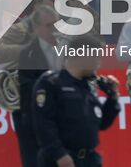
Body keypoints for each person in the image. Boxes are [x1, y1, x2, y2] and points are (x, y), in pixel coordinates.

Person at [33, 33, 121, 167]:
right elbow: (43, 123)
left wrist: (113, 98)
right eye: (96, 57)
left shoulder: (89, 85)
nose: (99, 62)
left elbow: (101, 124)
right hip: (62, 159)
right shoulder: (51, 82)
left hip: (89, 159)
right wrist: (60, 155)